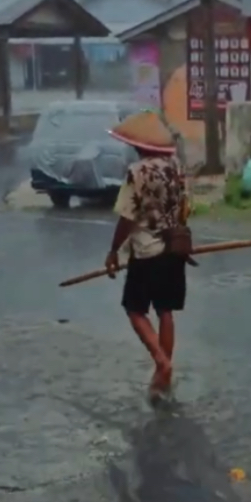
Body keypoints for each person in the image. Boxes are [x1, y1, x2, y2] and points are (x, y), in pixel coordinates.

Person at [104, 115, 191, 403]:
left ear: (138, 146)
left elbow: (127, 218)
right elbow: (185, 209)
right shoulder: (176, 168)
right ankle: (162, 377)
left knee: (134, 308)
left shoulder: (137, 173)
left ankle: (161, 361)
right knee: (165, 310)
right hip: (174, 250)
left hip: (146, 253)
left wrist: (114, 250)